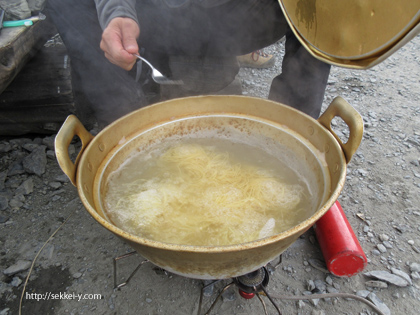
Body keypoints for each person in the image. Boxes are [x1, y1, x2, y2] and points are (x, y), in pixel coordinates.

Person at [45, 0, 331, 127]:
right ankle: (125, 129)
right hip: (158, 16)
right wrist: (117, 12)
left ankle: (291, 133)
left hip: (245, 15)